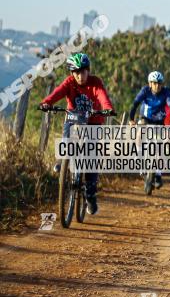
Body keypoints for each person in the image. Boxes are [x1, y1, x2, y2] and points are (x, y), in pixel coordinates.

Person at [40, 53, 115, 214]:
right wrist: (47, 102)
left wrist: (107, 108)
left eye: (83, 71)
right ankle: (63, 161)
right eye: (76, 72)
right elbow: (58, 93)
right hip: (74, 119)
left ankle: (90, 194)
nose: (80, 76)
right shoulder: (70, 83)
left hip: (93, 123)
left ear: (88, 71)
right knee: (67, 139)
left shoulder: (95, 82)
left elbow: (102, 96)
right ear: (72, 73)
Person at [129, 71, 170, 188]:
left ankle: (158, 173)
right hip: (145, 118)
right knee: (140, 133)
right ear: (150, 83)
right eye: (154, 83)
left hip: (159, 122)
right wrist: (131, 119)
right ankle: (139, 154)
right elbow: (135, 104)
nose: (157, 86)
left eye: (159, 83)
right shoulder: (145, 91)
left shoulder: (166, 92)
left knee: (161, 146)